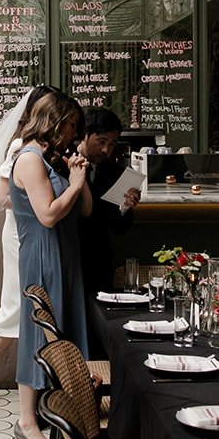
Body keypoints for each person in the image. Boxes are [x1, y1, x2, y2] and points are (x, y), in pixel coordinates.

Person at [0, 84, 62, 404]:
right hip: (21, 233)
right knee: (18, 305)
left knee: (27, 306)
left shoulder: (43, 146)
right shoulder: (21, 146)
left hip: (34, 233)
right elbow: (2, 197)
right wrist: (36, 196)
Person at [11, 91, 92, 439]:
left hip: (66, 253)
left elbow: (86, 210)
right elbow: (46, 215)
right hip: (43, 256)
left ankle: (63, 413)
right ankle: (27, 422)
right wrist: (72, 185)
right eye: (71, 124)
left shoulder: (52, 159)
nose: (75, 131)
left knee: (66, 332)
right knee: (40, 333)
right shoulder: (29, 160)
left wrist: (80, 174)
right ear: (54, 122)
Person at [76, 106, 141, 301]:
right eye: (101, 141)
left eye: (112, 144)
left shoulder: (116, 172)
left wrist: (126, 207)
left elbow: (119, 227)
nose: (106, 150)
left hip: (100, 260)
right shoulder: (63, 162)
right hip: (70, 255)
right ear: (84, 135)